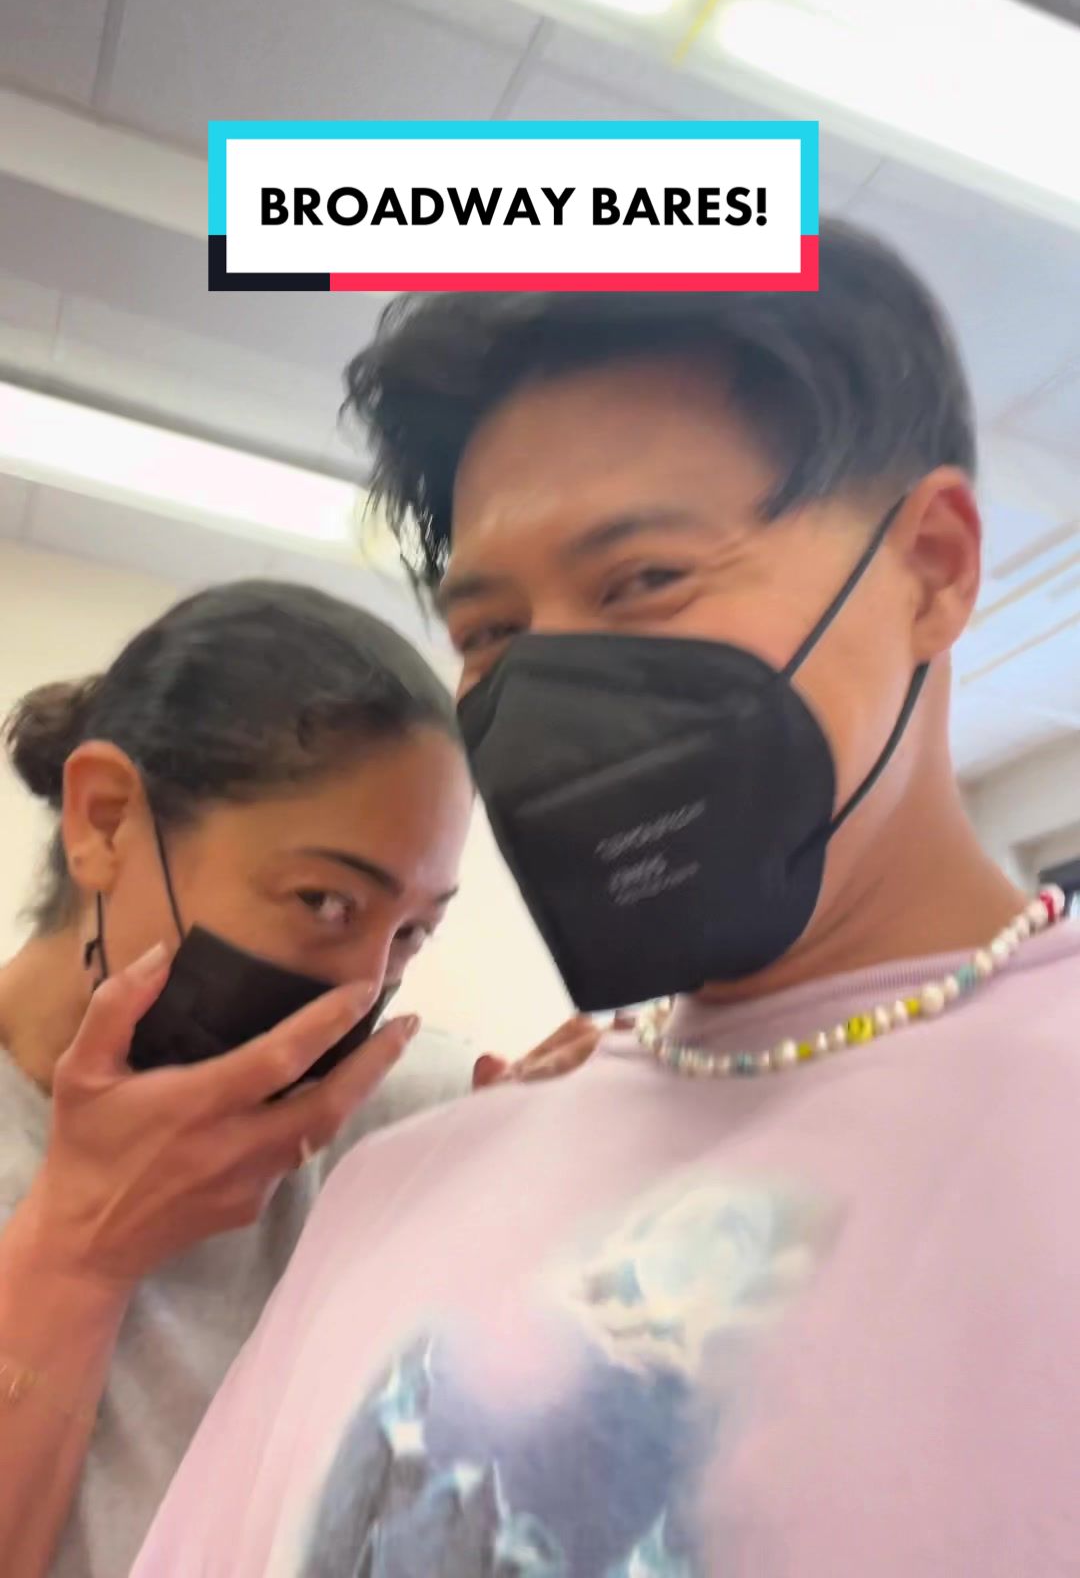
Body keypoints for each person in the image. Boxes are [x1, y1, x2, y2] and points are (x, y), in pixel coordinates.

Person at [133, 224, 1080, 1578]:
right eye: (491, 635)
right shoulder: (397, 1189)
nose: (553, 701)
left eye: (645, 580)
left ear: (932, 565)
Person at [0, 580, 602, 1578]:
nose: (364, 987)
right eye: (325, 901)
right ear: (104, 821)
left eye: (411, 933)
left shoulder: (394, 1117)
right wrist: (79, 1248)